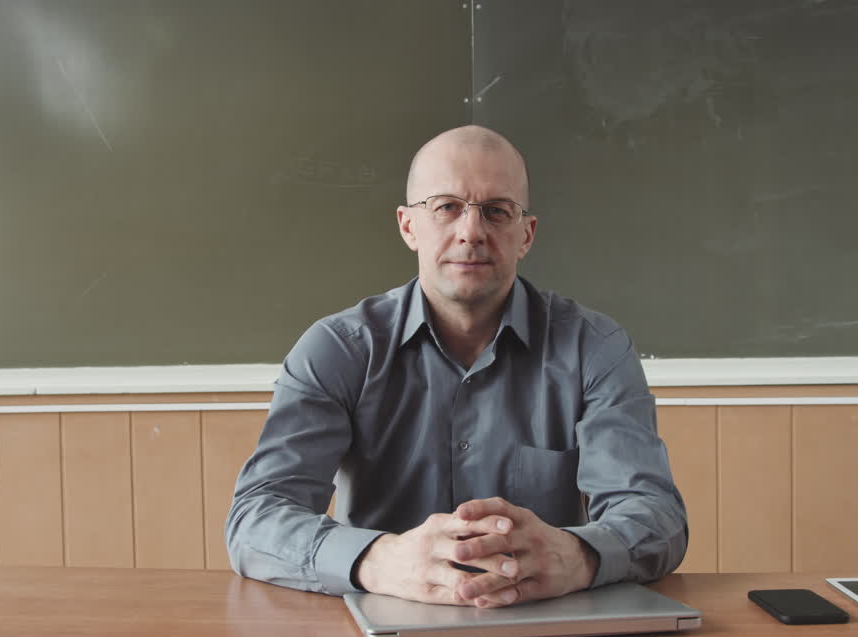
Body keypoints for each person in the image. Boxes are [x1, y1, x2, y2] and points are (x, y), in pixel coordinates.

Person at [225, 125, 687, 609]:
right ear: (408, 226)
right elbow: (256, 517)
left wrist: (577, 556)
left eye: (497, 211)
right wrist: (380, 560)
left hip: (547, 628)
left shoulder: (594, 347)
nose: (471, 231)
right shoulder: (338, 349)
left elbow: (655, 515)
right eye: (446, 207)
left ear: (525, 234)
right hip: (381, 627)